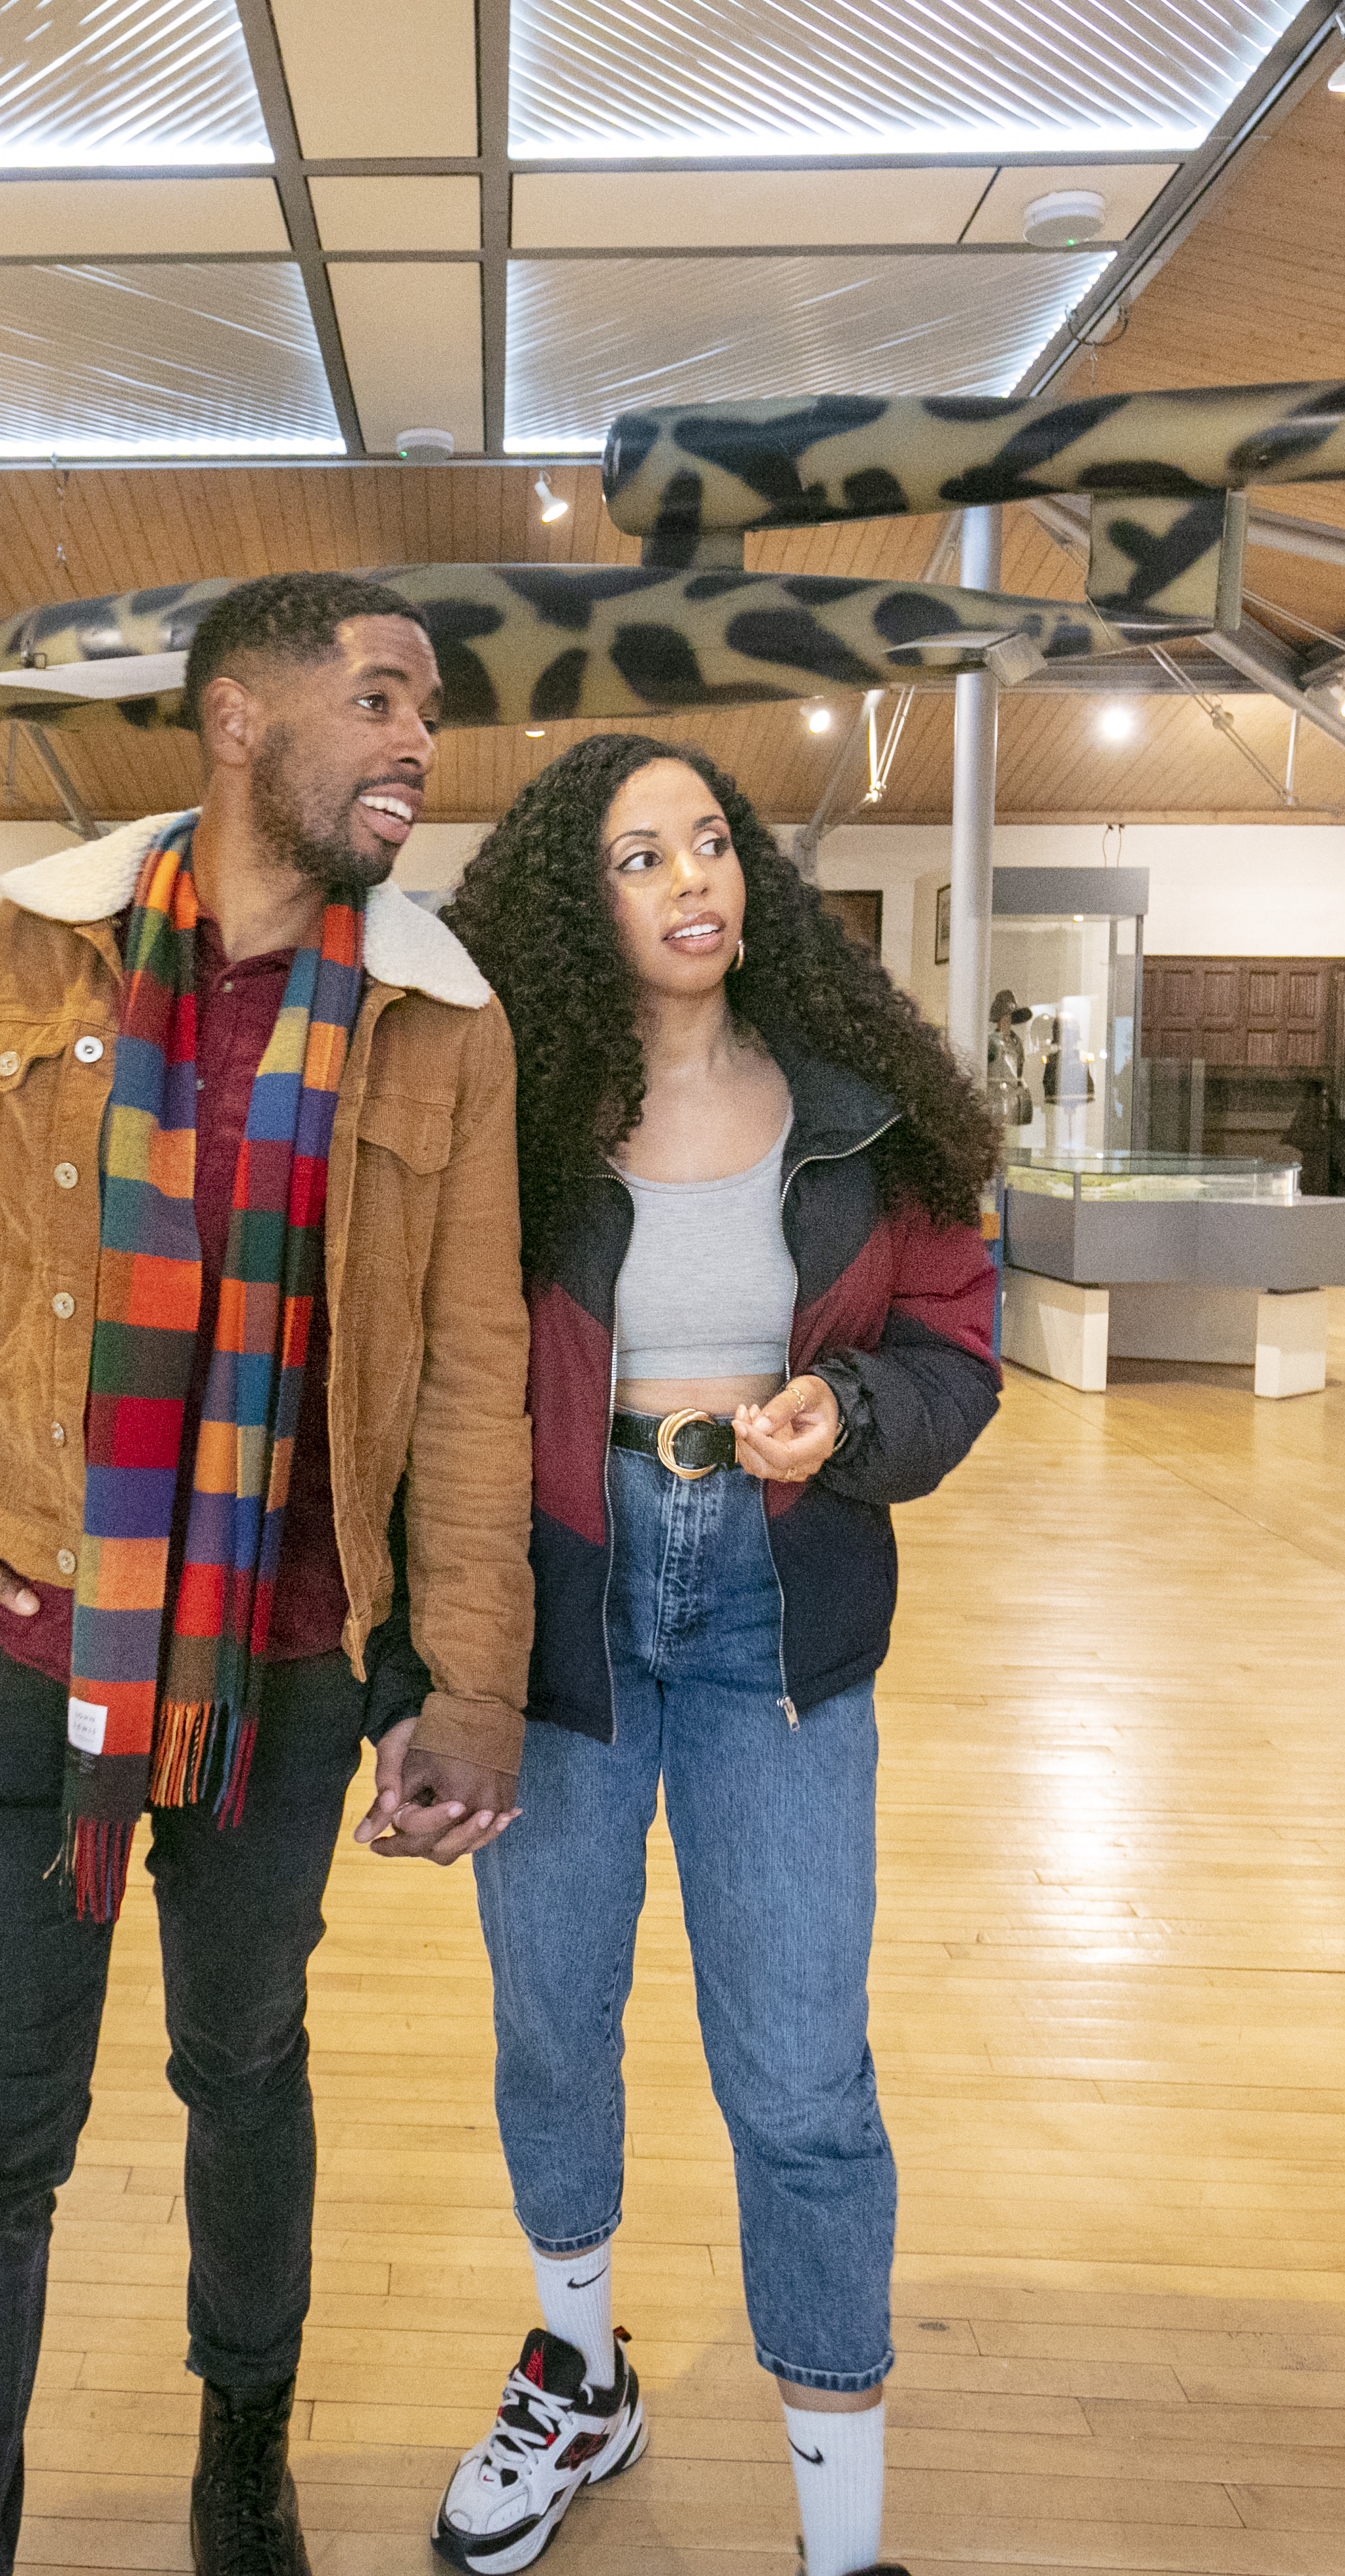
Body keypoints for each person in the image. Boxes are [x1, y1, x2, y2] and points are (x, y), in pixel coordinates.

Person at [0, 572, 536, 2576]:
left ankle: (246, 2449)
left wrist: (467, 1669)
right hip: (18, 1625)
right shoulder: (24, 950)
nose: (421, 740)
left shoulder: (440, 1020)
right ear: (241, 721)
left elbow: (476, 1368)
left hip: (293, 1659)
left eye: (432, 708)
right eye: (381, 696)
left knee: (243, 2065)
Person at [422, 734, 1001, 2576]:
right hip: (564, 1605)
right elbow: (428, 1384)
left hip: (778, 1608)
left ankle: (847, 2546)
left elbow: (955, 1347)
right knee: (550, 2026)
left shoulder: (858, 1107)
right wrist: (424, 1669)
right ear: (569, 905)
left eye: (709, 840)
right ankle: (578, 2377)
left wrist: (849, 1409)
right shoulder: (506, 1113)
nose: (690, 878)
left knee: (805, 2076)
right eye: (636, 853)